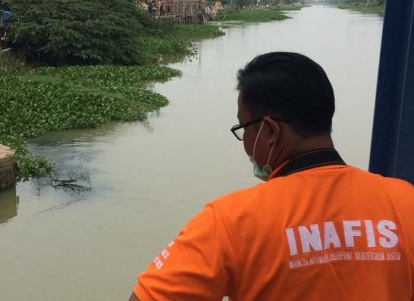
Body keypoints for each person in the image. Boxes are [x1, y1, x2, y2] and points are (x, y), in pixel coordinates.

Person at [129, 52, 414, 301]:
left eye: (243, 128)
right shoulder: (405, 201)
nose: (244, 142)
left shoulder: (230, 220)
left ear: (269, 131)